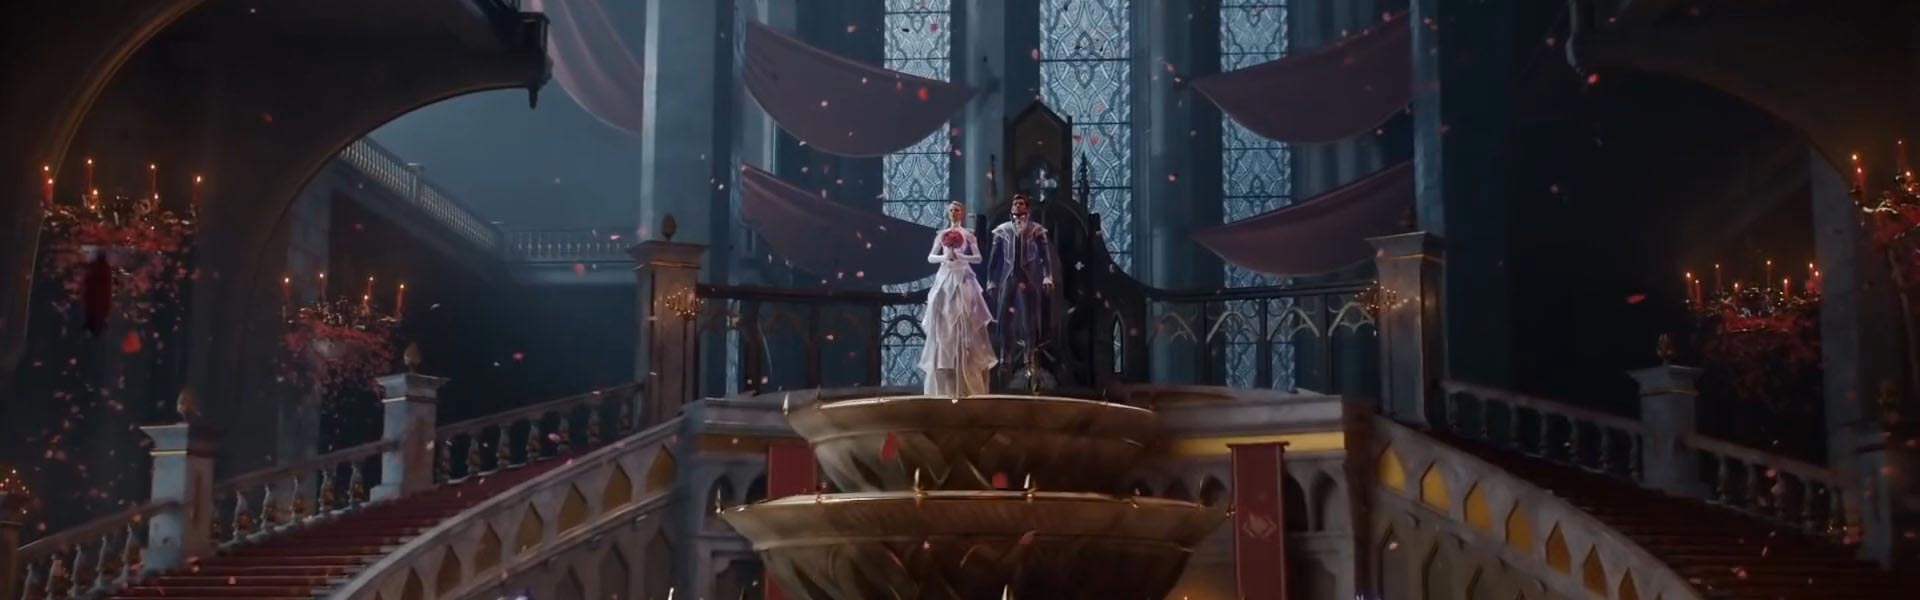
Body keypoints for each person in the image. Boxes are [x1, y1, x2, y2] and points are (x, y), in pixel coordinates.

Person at [919, 202, 997, 397]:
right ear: (948, 213)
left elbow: (978, 258)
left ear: (962, 213)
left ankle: (966, 378)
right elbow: (930, 257)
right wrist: (945, 258)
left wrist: (961, 257)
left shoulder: (968, 234)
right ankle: (944, 379)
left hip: (963, 277)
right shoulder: (942, 234)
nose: (954, 213)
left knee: (964, 317)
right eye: (951, 210)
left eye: (957, 210)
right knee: (942, 318)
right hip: (945, 277)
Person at [986, 194, 1058, 388]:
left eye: (1021, 204)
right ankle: (1005, 355)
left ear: (1027, 208)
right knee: (1003, 317)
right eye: (1015, 204)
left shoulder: (1036, 230)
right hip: (1008, 278)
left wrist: (1048, 276)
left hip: (1029, 278)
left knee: (1029, 318)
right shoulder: (1002, 230)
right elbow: (994, 259)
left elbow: (1045, 256)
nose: (1017, 207)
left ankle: (1029, 355)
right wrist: (991, 280)